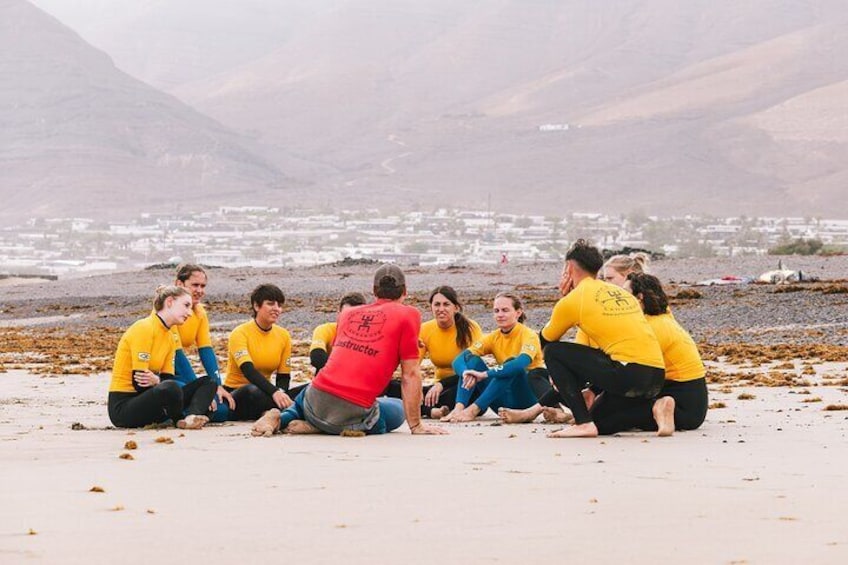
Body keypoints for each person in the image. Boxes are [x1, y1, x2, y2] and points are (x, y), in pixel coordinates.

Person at [251, 264, 446, 436]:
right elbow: (410, 374)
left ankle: (282, 418)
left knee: (308, 396)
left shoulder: (348, 313)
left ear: (374, 291)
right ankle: (325, 427)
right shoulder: (409, 314)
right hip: (352, 411)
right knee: (396, 409)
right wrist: (417, 425)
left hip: (316, 397)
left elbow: (351, 355)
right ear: (405, 291)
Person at [540, 239, 666, 438]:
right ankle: (653, 409)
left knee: (553, 352)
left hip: (627, 373)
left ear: (569, 268)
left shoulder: (574, 299)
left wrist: (564, 300)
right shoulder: (621, 292)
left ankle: (583, 423)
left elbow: (546, 338)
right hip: (656, 377)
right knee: (600, 424)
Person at [589, 273, 708, 436]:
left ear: (639, 298)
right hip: (684, 396)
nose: (620, 297)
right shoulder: (661, 316)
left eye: (625, 293)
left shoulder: (651, 328)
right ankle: (658, 408)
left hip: (685, 407)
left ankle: (658, 408)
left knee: (602, 423)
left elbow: (624, 365)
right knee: (602, 412)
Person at [107, 285, 217, 429]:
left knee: (209, 382)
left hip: (153, 398)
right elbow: (139, 383)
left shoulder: (170, 337)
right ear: (169, 302)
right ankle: (178, 418)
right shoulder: (144, 328)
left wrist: (157, 381)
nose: (189, 313)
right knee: (170, 388)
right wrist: (159, 383)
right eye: (186, 306)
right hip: (124, 406)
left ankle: (191, 417)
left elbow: (167, 378)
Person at [440, 292, 544, 423]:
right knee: (471, 361)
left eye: (505, 310)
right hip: (500, 400)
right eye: (496, 311)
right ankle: (458, 408)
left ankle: (473, 409)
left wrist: (485, 374)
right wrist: (465, 372)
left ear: (518, 312)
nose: (500, 315)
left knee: (510, 364)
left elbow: (520, 363)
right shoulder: (493, 337)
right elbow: (460, 359)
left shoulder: (529, 335)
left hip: (526, 401)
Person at [386, 286, 484, 419]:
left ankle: (425, 409)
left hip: (465, 387)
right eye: (437, 304)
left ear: (456, 307)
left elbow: (474, 368)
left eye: (446, 304)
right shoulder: (425, 329)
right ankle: (430, 410)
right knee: (390, 387)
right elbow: (413, 365)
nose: (441, 309)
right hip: (436, 390)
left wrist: (441, 384)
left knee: (460, 392)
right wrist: (416, 389)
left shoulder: (471, 328)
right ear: (431, 307)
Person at [222, 284, 303, 422]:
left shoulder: (283, 335)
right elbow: (248, 370)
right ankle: (282, 411)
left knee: (310, 389)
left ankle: (274, 411)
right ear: (256, 306)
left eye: (279, 305)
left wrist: (281, 393)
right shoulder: (240, 333)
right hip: (239, 393)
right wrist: (274, 392)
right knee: (253, 390)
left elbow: (283, 377)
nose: (276, 309)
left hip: (267, 392)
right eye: (270, 304)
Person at [171, 264, 233, 422]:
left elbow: (206, 351)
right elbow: (177, 356)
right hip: (161, 378)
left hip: (180, 377)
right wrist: (201, 392)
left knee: (223, 410)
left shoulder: (199, 313)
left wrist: (217, 386)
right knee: (206, 405)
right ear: (179, 284)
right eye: (195, 285)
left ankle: (184, 414)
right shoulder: (168, 312)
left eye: (203, 286)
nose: (199, 290)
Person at [309, 292, 368, 375]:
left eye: (355, 315)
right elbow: (317, 358)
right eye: (346, 314)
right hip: (328, 380)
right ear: (339, 313)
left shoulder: (370, 336)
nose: (350, 319)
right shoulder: (326, 330)